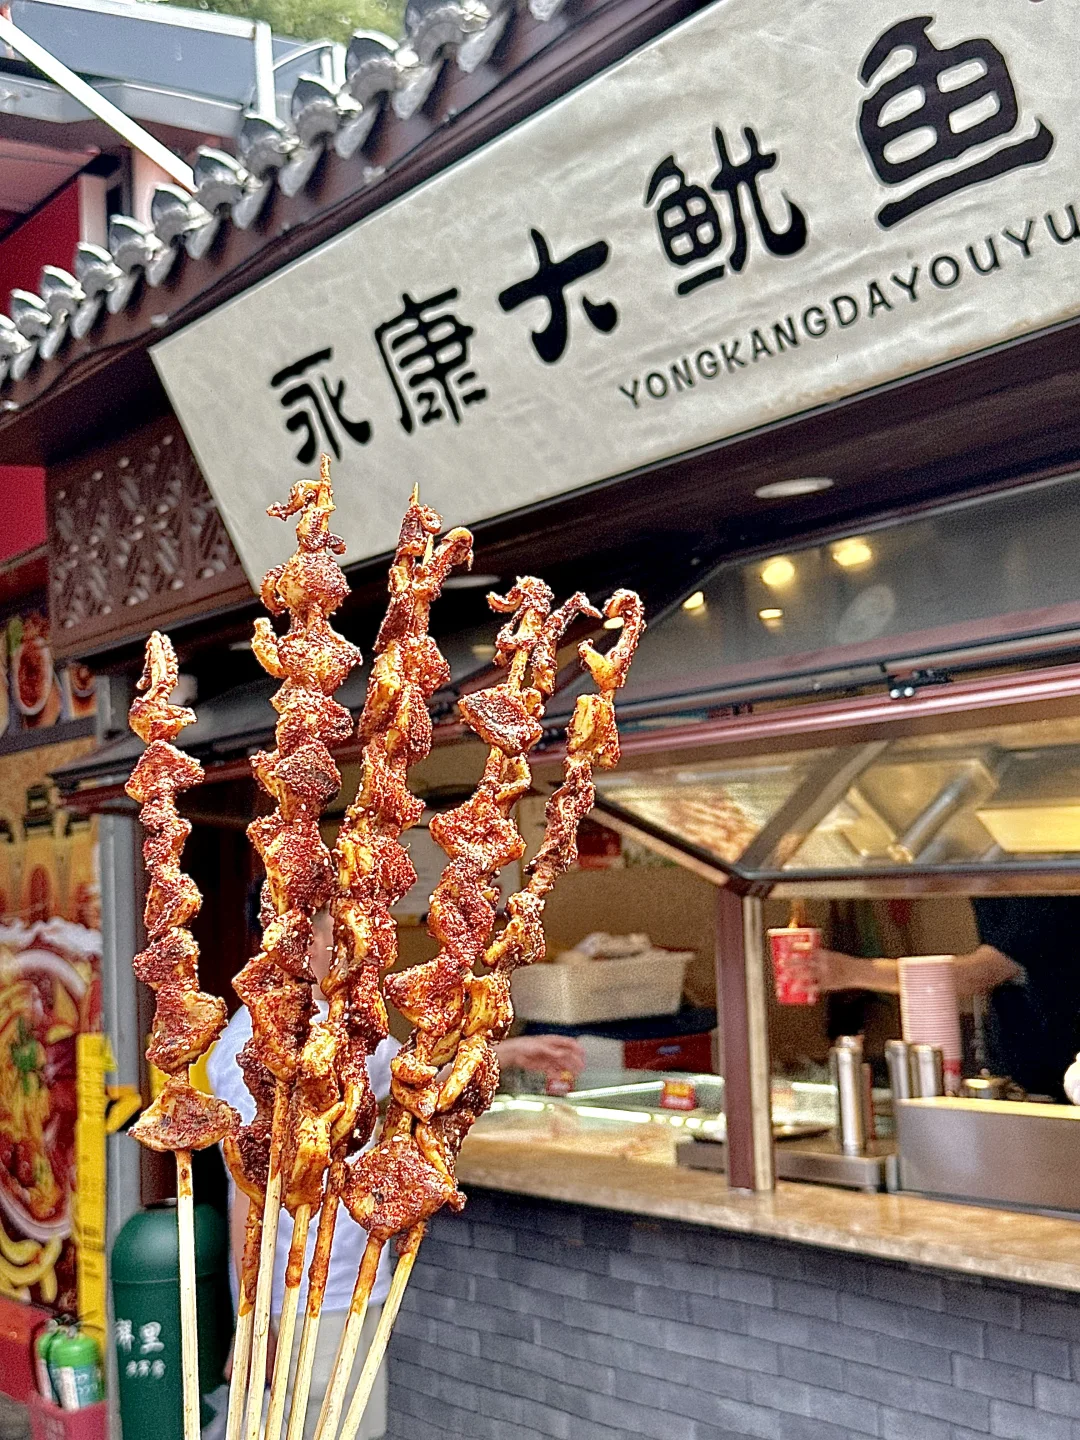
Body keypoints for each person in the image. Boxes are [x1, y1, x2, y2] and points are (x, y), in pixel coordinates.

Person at [209, 910, 585, 1438]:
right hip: (297, 1298)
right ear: (298, 938)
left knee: (359, 1428)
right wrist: (251, 1320)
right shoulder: (255, 1046)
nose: (352, 945)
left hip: (356, 1276)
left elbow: (411, 1075)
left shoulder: (341, 1022)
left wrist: (504, 1052)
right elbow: (250, 1191)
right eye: (336, 931)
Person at [816, 896, 1080, 1099]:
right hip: (1022, 1069)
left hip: (1064, 1075)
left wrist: (846, 972)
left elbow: (980, 973)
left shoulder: (1045, 884)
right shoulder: (992, 881)